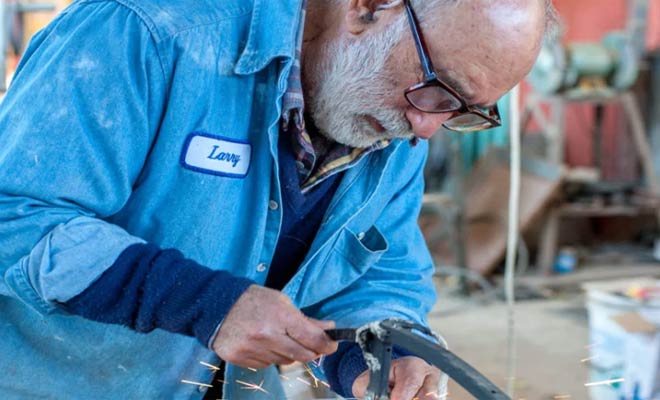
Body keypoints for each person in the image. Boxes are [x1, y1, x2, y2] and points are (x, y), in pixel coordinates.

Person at [0, 0, 554, 398]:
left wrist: (380, 354)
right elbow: (17, 217)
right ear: (371, 7)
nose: (427, 129)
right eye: (437, 90)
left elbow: (379, 273)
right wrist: (207, 303)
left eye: (463, 110)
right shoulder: (145, 31)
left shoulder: (398, 120)